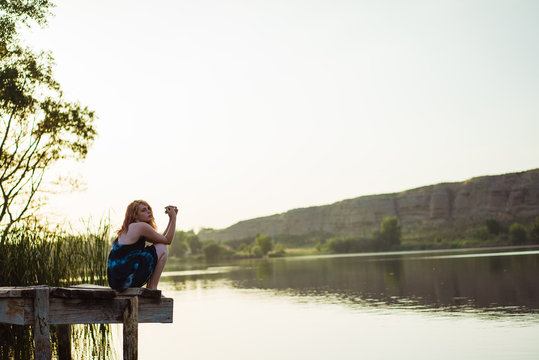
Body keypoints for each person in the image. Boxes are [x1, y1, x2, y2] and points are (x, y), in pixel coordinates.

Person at [107, 200, 177, 291]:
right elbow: (167, 240)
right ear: (135, 215)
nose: (148, 211)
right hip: (127, 280)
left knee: (161, 246)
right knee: (163, 248)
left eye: (148, 209)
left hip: (116, 282)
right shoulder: (141, 226)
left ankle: (152, 288)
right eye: (143, 210)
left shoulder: (128, 228)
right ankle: (153, 288)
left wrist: (171, 219)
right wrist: (174, 218)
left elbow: (161, 240)